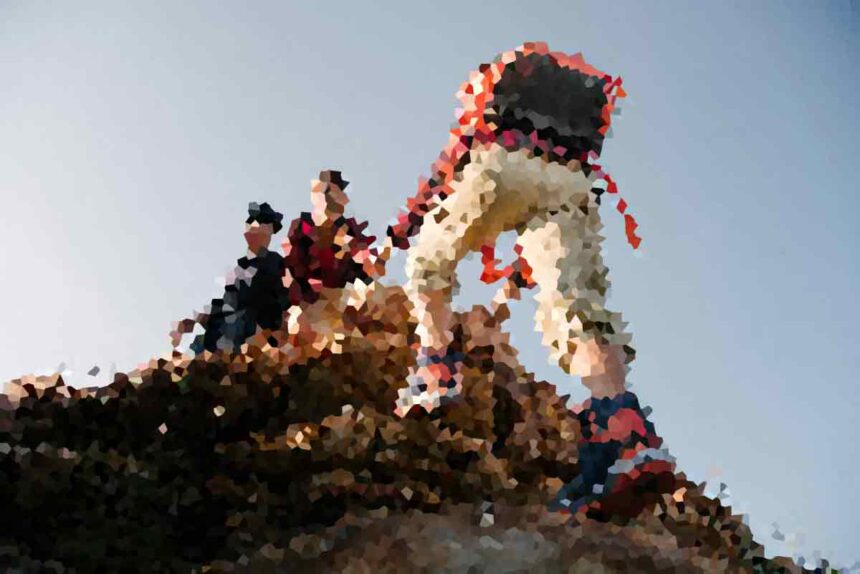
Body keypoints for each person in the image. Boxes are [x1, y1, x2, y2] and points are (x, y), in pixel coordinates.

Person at [388, 43, 675, 515]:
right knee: (577, 308)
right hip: (573, 181)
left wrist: (410, 219)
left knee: (427, 265)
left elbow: (459, 149)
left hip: (504, 159)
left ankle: (436, 371)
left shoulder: (490, 88)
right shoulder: (575, 122)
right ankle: (625, 432)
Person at [171, 202, 286, 354]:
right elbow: (227, 306)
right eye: (252, 223)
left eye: (263, 224)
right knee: (202, 342)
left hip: (253, 335)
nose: (255, 228)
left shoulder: (275, 262)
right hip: (228, 333)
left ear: (269, 231)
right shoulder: (240, 270)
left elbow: (283, 301)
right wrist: (197, 320)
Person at [281, 170, 381, 307]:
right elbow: (293, 267)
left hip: (344, 303)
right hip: (309, 304)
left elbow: (364, 273)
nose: (342, 199)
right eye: (333, 193)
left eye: (340, 193)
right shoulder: (302, 225)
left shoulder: (350, 229)